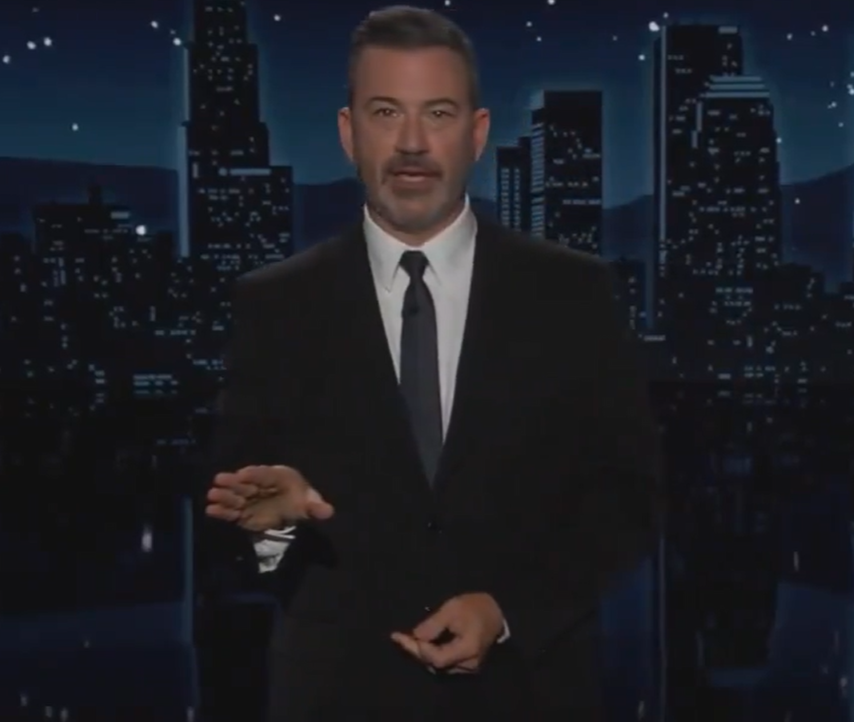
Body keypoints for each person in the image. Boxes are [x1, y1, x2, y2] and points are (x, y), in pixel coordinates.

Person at [203, 6, 663, 721]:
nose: (412, 143)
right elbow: (227, 524)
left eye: (438, 114)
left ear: (477, 134)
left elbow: (629, 501)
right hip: (337, 699)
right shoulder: (276, 303)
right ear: (349, 133)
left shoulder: (572, 292)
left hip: (528, 697)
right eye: (386, 112)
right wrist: (275, 527)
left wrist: (507, 610)